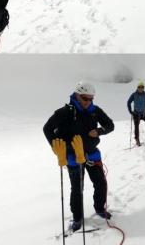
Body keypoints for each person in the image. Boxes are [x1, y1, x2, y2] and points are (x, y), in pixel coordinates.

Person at [43, 82, 115, 232]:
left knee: (101, 183)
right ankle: (77, 217)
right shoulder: (64, 112)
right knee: (77, 188)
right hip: (72, 156)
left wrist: (99, 131)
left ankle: (99, 208)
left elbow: (110, 125)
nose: (88, 101)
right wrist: (56, 148)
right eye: (85, 98)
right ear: (76, 95)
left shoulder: (95, 111)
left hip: (92, 154)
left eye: (91, 98)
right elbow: (47, 128)